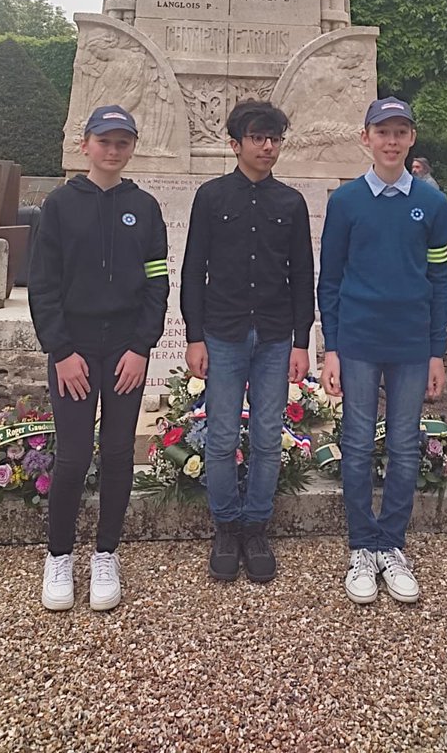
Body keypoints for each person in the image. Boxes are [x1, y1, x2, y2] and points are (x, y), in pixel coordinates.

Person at [29, 105, 169, 612]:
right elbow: (43, 286)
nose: (113, 151)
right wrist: (61, 351)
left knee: (115, 452)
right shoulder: (60, 206)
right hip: (75, 349)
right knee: (71, 456)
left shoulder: (145, 207)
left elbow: (157, 283)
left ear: (132, 147)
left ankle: (106, 553)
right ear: (85, 144)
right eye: (104, 141)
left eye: (122, 142)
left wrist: (141, 346)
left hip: (126, 349)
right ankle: (59, 556)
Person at [318, 97, 447, 606]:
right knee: (356, 444)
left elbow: (439, 279)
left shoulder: (432, 204)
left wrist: (438, 351)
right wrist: (331, 347)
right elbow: (329, 280)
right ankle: (361, 545)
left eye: (400, 132)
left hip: (412, 344)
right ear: (365, 138)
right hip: (357, 340)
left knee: (403, 443)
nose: (391, 141)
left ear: (412, 138)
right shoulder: (346, 201)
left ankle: (391, 543)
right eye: (382, 132)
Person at [181, 99, 315, 584]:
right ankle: (226, 525)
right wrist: (194, 336)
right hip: (224, 332)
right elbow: (194, 269)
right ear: (235, 144)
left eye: (275, 137)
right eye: (258, 137)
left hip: (276, 335)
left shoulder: (291, 203)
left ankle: (256, 525)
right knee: (220, 436)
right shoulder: (212, 197)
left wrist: (303, 342)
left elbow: (303, 275)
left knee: (265, 436)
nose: (268, 146)